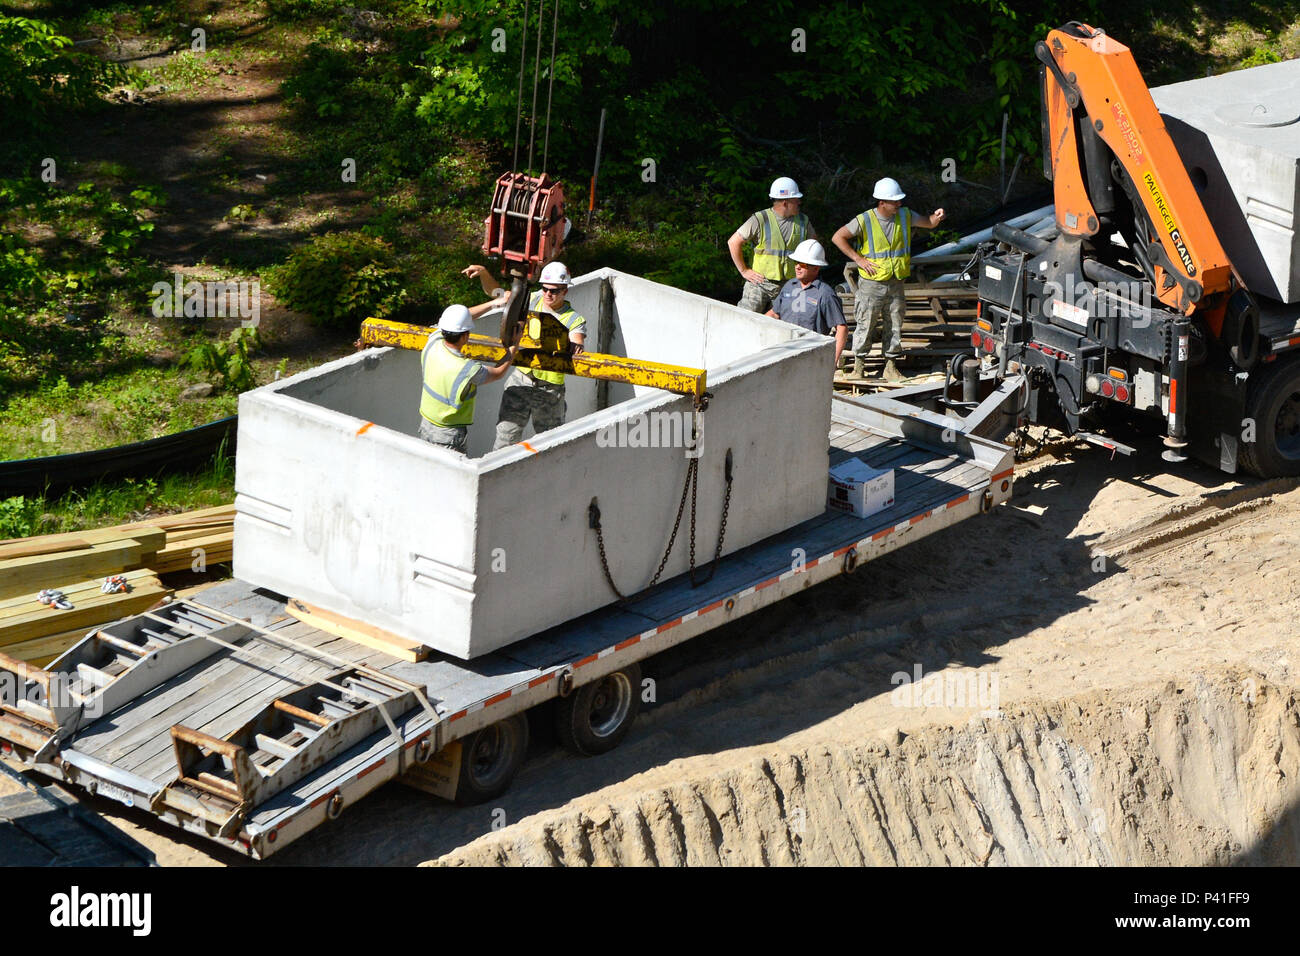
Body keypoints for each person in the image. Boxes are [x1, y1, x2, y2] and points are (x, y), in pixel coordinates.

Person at [463, 261, 587, 450]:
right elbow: (497, 294)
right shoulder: (533, 299)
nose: (548, 294)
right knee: (505, 440)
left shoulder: (573, 319)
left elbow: (576, 339)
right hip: (521, 380)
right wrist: (483, 273)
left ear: (565, 291)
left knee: (550, 445)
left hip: (549, 390)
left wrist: (576, 345)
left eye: (554, 290)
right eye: (545, 289)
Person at [831, 177, 945, 380]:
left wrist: (937, 217)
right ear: (881, 202)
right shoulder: (865, 220)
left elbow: (928, 223)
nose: (899, 204)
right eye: (895, 201)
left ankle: (890, 367)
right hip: (871, 283)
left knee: (894, 322)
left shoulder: (905, 215)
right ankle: (859, 367)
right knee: (866, 322)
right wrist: (858, 259)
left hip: (896, 280)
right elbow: (838, 237)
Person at [417, 304, 517, 455]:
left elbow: (459, 318)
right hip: (448, 434)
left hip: (426, 424)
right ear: (464, 336)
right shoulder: (467, 369)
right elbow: (498, 372)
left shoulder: (433, 342)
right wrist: (515, 344)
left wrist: (495, 303)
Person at [727, 176, 817, 313]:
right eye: (795, 199)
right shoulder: (760, 219)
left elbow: (813, 249)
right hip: (759, 283)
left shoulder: (803, 221)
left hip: (790, 285)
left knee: (788, 325)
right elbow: (733, 242)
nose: (799, 202)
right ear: (785, 203)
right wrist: (744, 271)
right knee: (745, 319)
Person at [764, 239, 847, 373]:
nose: (797, 267)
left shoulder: (825, 294)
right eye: (796, 262)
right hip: (783, 353)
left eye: (802, 264)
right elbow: (774, 314)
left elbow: (842, 328)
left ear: (816, 267)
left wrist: (832, 361)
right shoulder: (789, 286)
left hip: (811, 357)